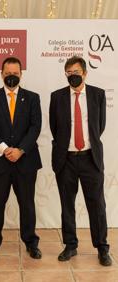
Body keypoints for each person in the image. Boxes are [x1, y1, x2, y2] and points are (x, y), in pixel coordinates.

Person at [49, 56, 111, 266]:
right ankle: (70, 245)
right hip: (65, 160)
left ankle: (102, 247)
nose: (72, 76)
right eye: (69, 73)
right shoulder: (56, 97)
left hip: (90, 158)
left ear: (85, 73)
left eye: (76, 72)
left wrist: (84, 144)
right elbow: (54, 128)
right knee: (67, 205)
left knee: (97, 205)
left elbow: (99, 127)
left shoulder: (98, 95)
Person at [0, 57, 42, 261]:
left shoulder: (33, 98)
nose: (11, 77)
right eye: (7, 74)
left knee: (27, 204)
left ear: (21, 74)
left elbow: (35, 127)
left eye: (15, 74)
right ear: (1, 74)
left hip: (26, 161)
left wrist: (21, 150)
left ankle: (31, 243)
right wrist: (6, 149)